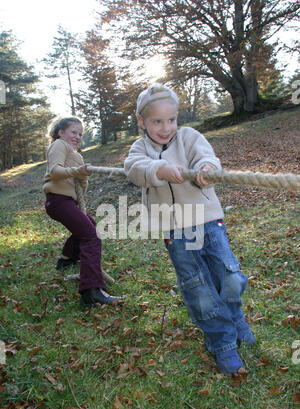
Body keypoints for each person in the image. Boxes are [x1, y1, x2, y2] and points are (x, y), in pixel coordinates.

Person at [124, 83, 255, 375]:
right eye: (157, 121)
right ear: (142, 122)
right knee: (199, 290)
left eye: (171, 119)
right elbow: (133, 169)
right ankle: (222, 343)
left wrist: (206, 171)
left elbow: (205, 157)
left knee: (229, 275)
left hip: (208, 220)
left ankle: (236, 320)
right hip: (175, 231)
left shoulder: (188, 137)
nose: (166, 127)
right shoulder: (139, 148)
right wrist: (157, 170)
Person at [43, 116, 121, 308]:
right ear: (61, 132)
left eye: (80, 134)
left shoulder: (76, 154)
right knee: (91, 236)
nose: (77, 137)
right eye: (73, 132)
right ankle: (91, 291)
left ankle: (67, 258)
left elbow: (80, 183)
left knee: (89, 225)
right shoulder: (59, 145)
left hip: (68, 201)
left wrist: (83, 176)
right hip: (58, 200)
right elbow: (55, 171)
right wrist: (78, 170)